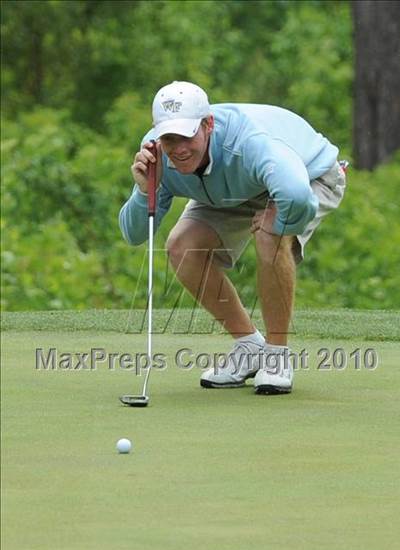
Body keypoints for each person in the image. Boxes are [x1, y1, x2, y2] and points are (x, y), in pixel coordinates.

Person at [119, 81, 347, 395]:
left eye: (187, 136)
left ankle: (277, 358)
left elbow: (298, 199)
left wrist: (277, 220)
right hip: (233, 189)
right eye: (170, 138)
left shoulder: (250, 144)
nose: (179, 148)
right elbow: (132, 234)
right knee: (181, 247)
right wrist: (146, 191)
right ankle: (249, 346)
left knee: (270, 235)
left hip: (309, 174)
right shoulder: (156, 156)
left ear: (208, 125)